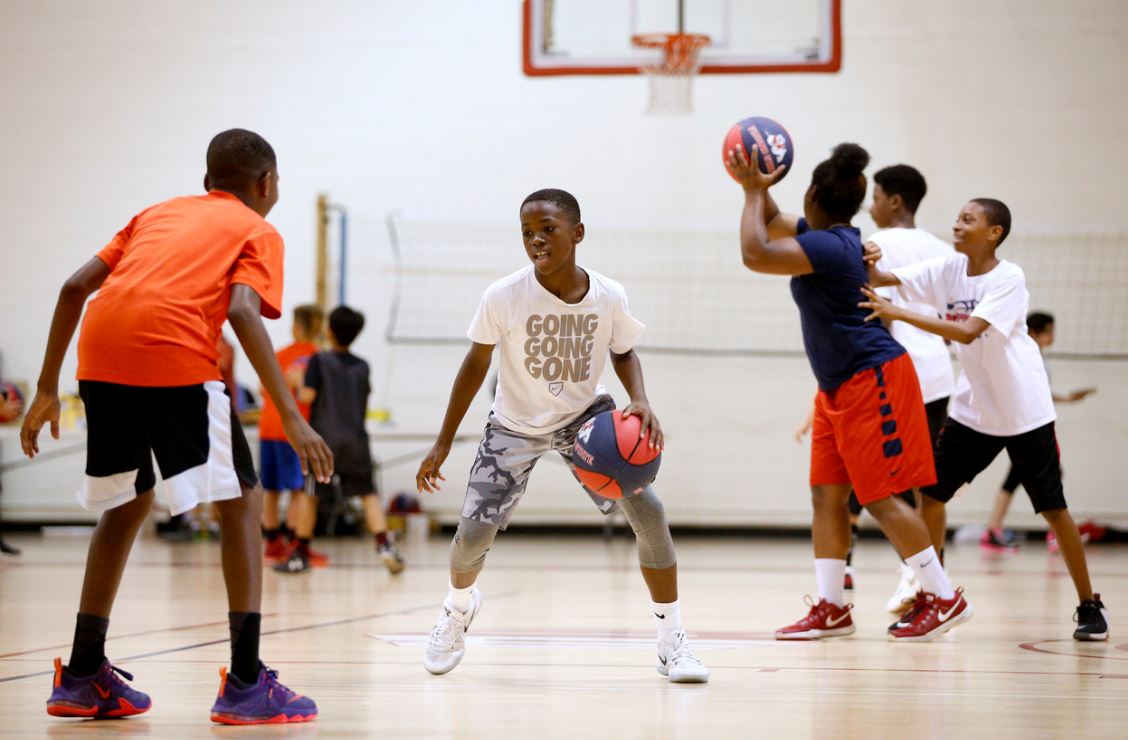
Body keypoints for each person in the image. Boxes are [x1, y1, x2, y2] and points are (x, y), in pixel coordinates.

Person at [19, 129, 333, 723]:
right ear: (267, 185)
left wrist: (43, 390)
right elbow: (242, 310)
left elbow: (72, 288)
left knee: (128, 503)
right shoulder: (258, 229)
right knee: (242, 499)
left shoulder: (154, 214)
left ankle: (83, 674)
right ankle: (246, 684)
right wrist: (291, 415)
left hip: (99, 357)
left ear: (207, 180)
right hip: (173, 357)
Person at [415, 188, 710, 681]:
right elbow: (474, 365)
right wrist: (443, 441)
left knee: (650, 513)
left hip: (585, 420)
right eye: (527, 232)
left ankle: (671, 639)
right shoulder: (503, 295)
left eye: (547, 229)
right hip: (514, 423)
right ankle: (457, 608)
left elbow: (624, 350)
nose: (536, 240)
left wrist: (639, 398)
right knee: (470, 539)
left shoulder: (608, 295)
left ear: (577, 233)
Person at [727, 142, 971, 642]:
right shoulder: (823, 236)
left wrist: (753, 190)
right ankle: (832, 608)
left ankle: (945, 596)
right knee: (827, 496)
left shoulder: (832, 246)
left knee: (880, 497)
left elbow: (754, 252)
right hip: (836, 385)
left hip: (872, 378)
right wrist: (757, 187)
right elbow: (769, 216)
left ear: (815, 195)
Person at [861, 198, 1109, 641]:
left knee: (1054, 510)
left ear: (993, 233)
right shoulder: (947, 268)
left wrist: (898, 312)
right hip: (974, 409)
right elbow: (881, 279)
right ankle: (935, 596)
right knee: (931, 496)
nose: (957, 225)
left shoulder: (1009, 278)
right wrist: (866, 258)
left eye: (968, 220)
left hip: (1024, 411)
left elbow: (969, 331)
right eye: (957, 218)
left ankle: (1089, 605)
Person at [863, 164, 956, 612]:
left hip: (896, 371)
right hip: (939, 371)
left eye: (877, 196)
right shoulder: (944, 249)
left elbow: (867, 311)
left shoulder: (876, 246)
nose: (871, 204)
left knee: (893, 483)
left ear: (894, 200)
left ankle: (916, 575)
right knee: (927, 485)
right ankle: (930, 577)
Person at [275, 306, 404, 574]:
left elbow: (307, 397)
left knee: (311, 495)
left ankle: (299, 554)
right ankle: (384, 545)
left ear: (328, 330)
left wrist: (298, 383)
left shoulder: (318, 361)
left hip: (324, 441)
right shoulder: (362, 366)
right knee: (368, 494)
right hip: (356, 439)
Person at [981, 311, 1096, 550]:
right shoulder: (1025, 356)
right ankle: (1054, 534)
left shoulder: (1039, 358)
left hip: (1027, 426)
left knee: (1016, 481)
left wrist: (1067, 398)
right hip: (1026, 428)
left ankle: (992, 531)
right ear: (1033, 332)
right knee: (1048, 477)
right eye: (1048, 331)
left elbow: (1039, 392)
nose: (1051, 336)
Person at [260, 304, 324, 563]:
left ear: (296, 326)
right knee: (299, 490)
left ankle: (272, 543)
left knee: (271, 489)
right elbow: (311, 397)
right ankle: (296, 543)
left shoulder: (278, 355)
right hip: (296, 431)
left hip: (269, 428)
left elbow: (262, 389)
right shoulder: (317, 358)